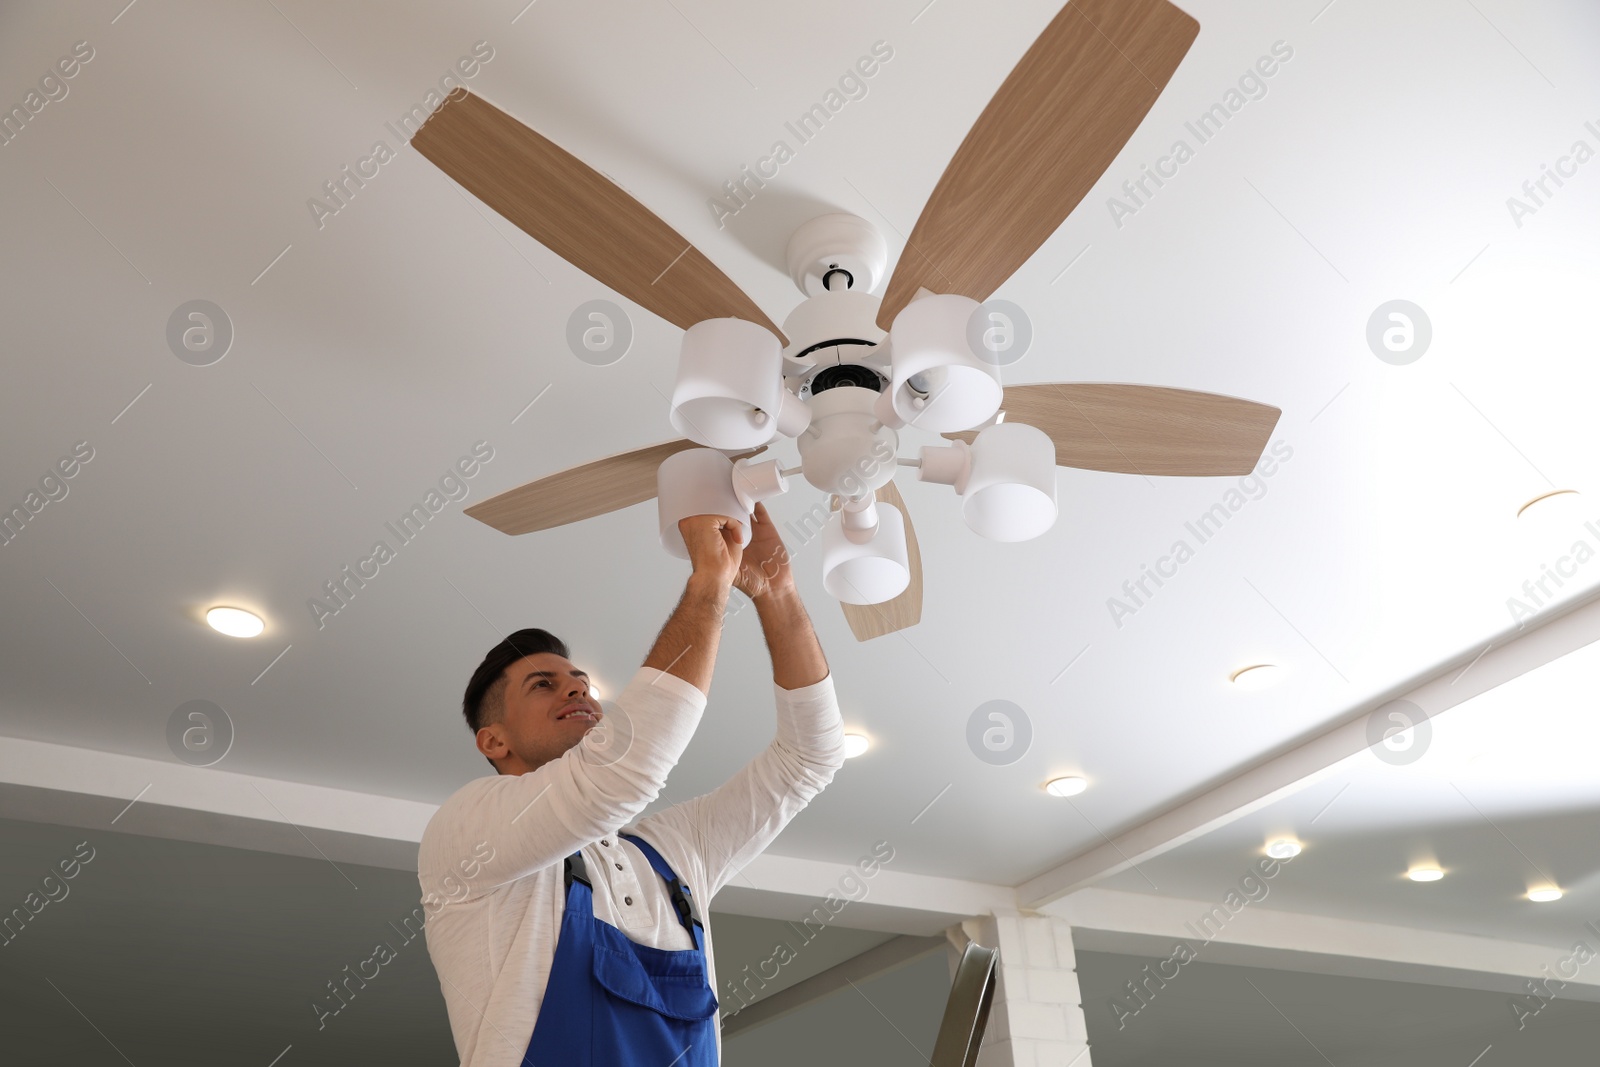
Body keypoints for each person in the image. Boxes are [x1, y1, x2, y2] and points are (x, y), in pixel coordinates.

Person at [419, 503, 843, 1067]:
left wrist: (776, 593)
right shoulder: (467, 828)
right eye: (543, 685)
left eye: (583, 683)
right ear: (494, 742)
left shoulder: (673, 857)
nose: (578, 693)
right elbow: (620, 775)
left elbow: (809, 758)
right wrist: (708, 582)